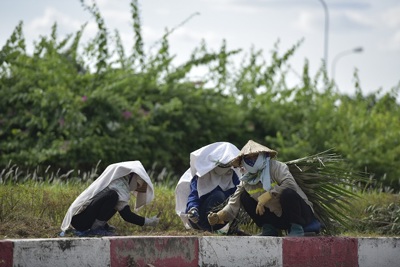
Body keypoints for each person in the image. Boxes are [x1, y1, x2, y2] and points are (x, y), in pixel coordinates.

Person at [207, 140, 321, 236]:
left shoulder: (277, 167)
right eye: (248, 158)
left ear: (264, 155)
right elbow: (233, 203)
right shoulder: (246, 180)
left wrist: (268, 195)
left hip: (300, 215)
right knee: (244, 197)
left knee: (288, 193)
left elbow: (290, 184)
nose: (252, 160)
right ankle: (269, 229)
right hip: (278, 218)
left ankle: (297, 229)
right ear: (243, 162)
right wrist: (219, 216)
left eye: (256, 156)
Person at [60, 161, 159, 236]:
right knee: (112, 196)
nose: (136, 187)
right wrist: (149, 222)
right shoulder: (117, 185)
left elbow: (120, 210)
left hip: (82, 218)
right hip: (80, 221)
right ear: (132, 177)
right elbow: (127, 215)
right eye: (137, 184)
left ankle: (100, 226)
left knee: (116, 203)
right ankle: (96, 228)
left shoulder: (119, 182)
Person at [175, 142, 241, 233]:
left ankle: (233, 230)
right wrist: (193, 209)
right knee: (218, 195)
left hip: (220, 219)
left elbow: (237, 197)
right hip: (199, 219)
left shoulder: (232, 176)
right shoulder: (202, 175)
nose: (224, 168)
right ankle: (207, 229)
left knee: (239, 197)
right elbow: (193, 196)